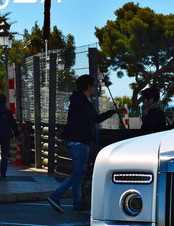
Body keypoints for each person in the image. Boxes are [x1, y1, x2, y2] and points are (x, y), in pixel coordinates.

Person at [47, 74, 124, 214]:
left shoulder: (80, 102)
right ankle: (56, 196)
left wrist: (113, 111)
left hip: (76, 142)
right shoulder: (82, 103)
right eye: (94, 86)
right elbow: (89, 120)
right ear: (89, 86)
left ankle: (77, 203)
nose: (95, 88)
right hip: (80, 143)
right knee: (78, 174)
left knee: (78, 174)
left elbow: (90, 119)